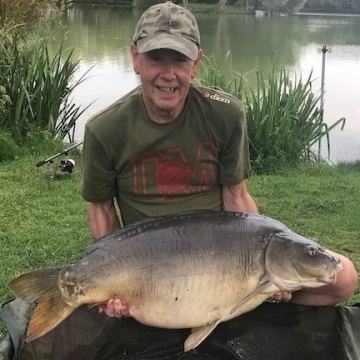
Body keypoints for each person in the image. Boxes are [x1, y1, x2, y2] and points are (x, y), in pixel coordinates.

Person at [80, 0, 357, 337]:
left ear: (195, 63)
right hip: (150, 259)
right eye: (156, 59)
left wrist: (275, 272)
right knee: (94, 296)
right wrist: (108, 275)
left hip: (224, 253)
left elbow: (236, 196)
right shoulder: (104, 128)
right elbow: (100, 207)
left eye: (179, 60)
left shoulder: (225, 114)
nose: (168, 75)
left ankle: (252, 300)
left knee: (343, 278)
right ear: (135, 58)